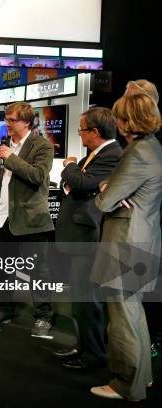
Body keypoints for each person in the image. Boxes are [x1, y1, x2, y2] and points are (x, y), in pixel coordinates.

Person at [89, 93, 162, 401]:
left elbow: (104, 200)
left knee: (122, 316)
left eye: (119, 117)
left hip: (125, 243)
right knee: (133, 313)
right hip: (142, 238)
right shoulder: (153, 147)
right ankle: (142, 376)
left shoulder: (136, 153)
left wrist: (104, 187)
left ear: (128, 121)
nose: (116, 123)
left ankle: (124, 384)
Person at [53, 107, 121, 370]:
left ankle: (94, 355)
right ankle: (84, 346)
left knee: (87, 299)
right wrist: (74, 176)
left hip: (89, 237)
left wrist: (70, 166)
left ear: (95, 132)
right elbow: (73, 185)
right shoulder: (95, 154)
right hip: (78, 235)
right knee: (80, 298)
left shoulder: (112, 155)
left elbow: (80, 184)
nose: (79, 134)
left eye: (82, 129)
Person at [0, 101, 55, 336]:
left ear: (27, 122)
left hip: (31, 219)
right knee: (5, 268)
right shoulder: (2, 146)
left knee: (38, 271)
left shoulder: (42, 146)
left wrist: (11, 158)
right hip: (4, 218)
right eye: (7, 119)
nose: (8, 124)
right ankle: (5, 308)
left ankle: (44, 315)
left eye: (12, 120)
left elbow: (37, 176)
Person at [124, 79, 162, 358]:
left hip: (143, 228)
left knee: (134, 301)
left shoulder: (147, 145)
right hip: (141, 227)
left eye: (130, 100)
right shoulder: (140, 144)